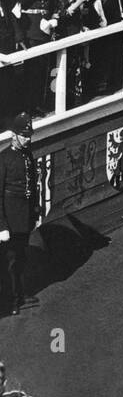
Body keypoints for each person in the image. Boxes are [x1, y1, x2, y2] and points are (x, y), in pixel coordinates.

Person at [0, 112, 39, 317]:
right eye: (24, 135)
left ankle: (21, 294)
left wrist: (35, 212)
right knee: (10, 261)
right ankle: (12, 300)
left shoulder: (27, 155)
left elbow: (32, 185)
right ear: (13, 135)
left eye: (29, 135)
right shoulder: (4, 159)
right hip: (10, 219)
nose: (28, 138)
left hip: (24, 217)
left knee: (22, 257)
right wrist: (2, 226)